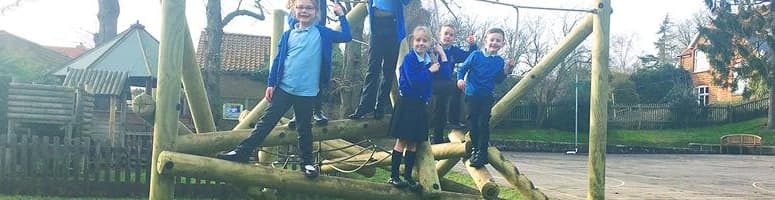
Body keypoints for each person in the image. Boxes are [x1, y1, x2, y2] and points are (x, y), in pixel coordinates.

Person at [216, 0, 351, 178]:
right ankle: (241, 152)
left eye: (309, 8)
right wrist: (271, 84)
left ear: (317, 12)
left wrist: (341, 15)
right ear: (294, 11)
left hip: (307, 92)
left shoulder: (322, 33)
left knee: (304, 129)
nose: (304, 11)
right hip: (285, 88)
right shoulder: (288, 35)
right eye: (300, 7)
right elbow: (279, 60)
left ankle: (308, 164)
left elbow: (346, 36)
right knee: (265, 123)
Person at [387, 26, 446, 191]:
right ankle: (394, 176)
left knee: (413, 143)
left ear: (429, 43)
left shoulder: (430, 60)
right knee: (402, 140)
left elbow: (445, 75)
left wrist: (441, 54)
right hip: (407, 103)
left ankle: (407, 177)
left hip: (421, 104)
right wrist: (430, 70)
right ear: (413, 41)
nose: (420, 43)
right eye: (418, 40)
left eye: (424, 41)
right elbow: (414, 81)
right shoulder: (409, 59)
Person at [456, 28, 514, 168]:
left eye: (498, 40)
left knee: (483, 124)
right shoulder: (476, 55)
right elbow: (462, 69)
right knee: (473, 123)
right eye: (492, 40)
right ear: (485, 41)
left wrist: (507, 70)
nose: (494, 43)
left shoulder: (499, 61)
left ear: (502, 43)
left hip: (486, 97)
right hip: (471, 95)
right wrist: (460, 80)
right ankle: (476, 149)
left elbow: (498, 79)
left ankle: (482, 152)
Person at [348, 0, 412, 120]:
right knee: (372, 68)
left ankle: (381, 106)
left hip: (393, 25)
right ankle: (365, 106)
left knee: (388, 71)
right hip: (377, 25)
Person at [429, 24, 477, 144]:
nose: (448, 37)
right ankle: (453, 119)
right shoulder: (433, 48)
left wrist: (472, 45)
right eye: (446, 33)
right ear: (440, 34)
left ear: (454, 37)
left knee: (439, 109)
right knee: (456, 86)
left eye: (451, 35)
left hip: (445, 84)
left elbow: (469, 57)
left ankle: (437, 139)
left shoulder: (454, 51)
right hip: (432, 82)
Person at [286, 0, 330, 128]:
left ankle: (317, 110)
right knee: (299, 77)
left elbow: (321, 16)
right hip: (300, 38)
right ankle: (296, 114)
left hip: (315, 36)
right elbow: (292, 21)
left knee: (317, 76)